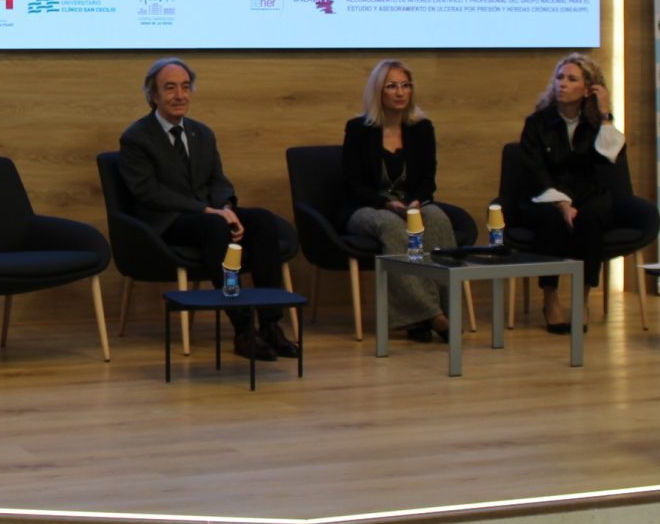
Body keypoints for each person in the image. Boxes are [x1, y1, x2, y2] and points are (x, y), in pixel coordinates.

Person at [118, 57, 297, 362]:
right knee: (215, 227)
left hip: (208, 216)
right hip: (167, 223)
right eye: (170, 88)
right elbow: (149, 193)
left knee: (262, 220)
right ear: (153, 96)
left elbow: (218, 181)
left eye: (185, 87)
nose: (180, 95)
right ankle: (243, 329)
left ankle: (270, 325)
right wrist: (207, 211)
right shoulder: (136, 138)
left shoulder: (202, 133)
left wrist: (226, 208)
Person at [340, 59, 456, 342]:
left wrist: (416, 201)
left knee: (438, 219)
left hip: (410, 204)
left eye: (406, 85)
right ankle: (433, 316)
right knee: (392, 226)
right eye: (392, 86)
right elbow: (352, 183)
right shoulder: (358, 129)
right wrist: (386, 203)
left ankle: (443, 311)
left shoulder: (422, 128)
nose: (400, 92)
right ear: (378, 91)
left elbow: (428, 179)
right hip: (368, 206)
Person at [517, 53, 625, 334]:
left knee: (590, 218)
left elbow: (612, 155)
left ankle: (583, 299)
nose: (562, 84)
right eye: (559, 77)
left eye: (571, 79)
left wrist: (605, 113)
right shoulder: (537, 122)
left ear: (588, 89)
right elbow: (535, 171)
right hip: (545, 195)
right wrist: (562, 204)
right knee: (550, 220)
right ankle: (550, 298)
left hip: (587, 196)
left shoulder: (595, 124)